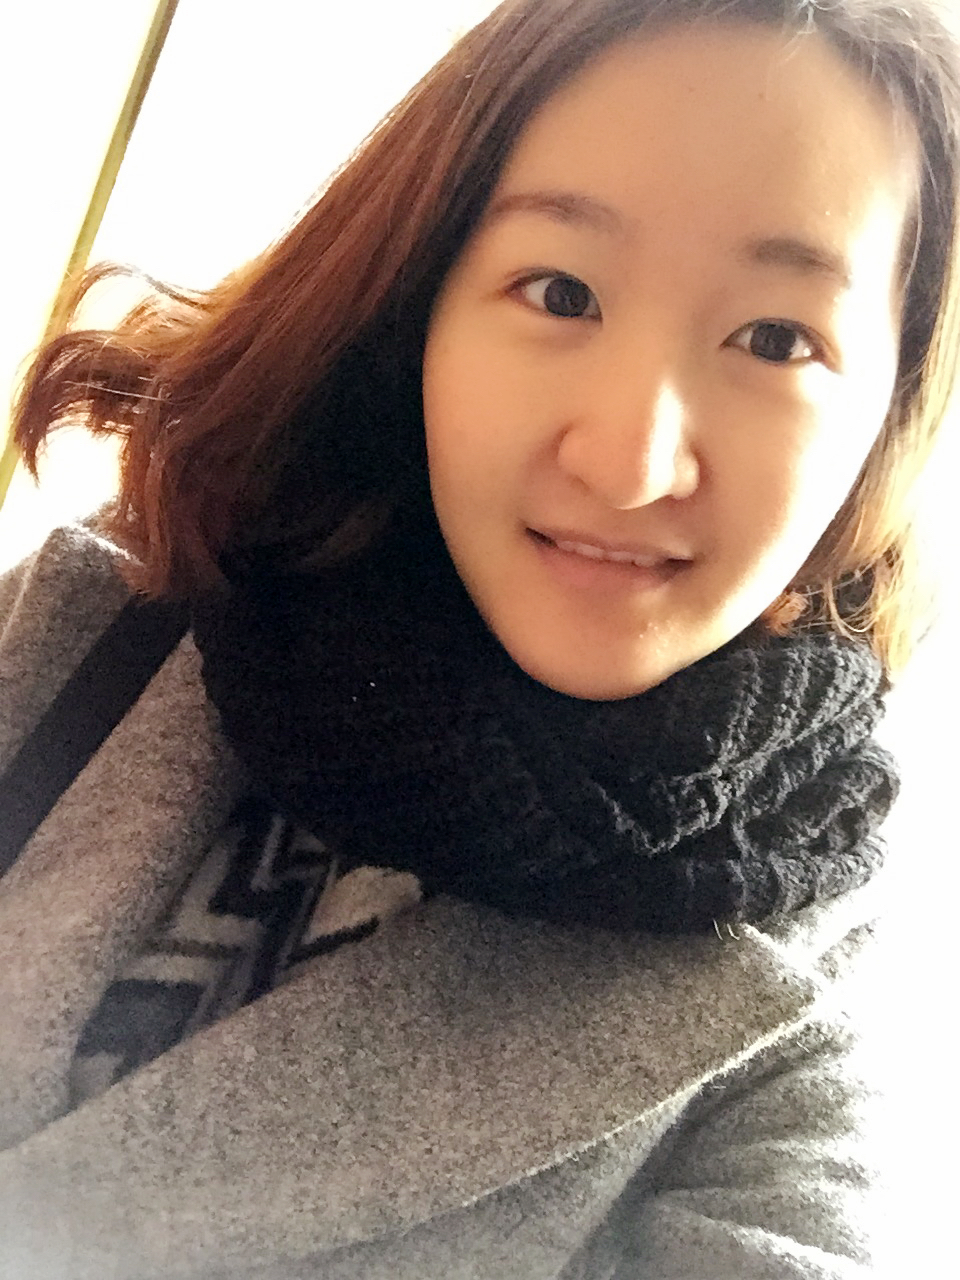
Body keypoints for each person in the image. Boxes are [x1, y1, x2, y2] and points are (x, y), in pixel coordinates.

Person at [1, 0, 957, 1274]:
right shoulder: (91, 624)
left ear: (886, 415)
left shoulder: (801, 1024)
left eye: (776, 339)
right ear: (419, 306)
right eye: (561, 292)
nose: (628, 462)